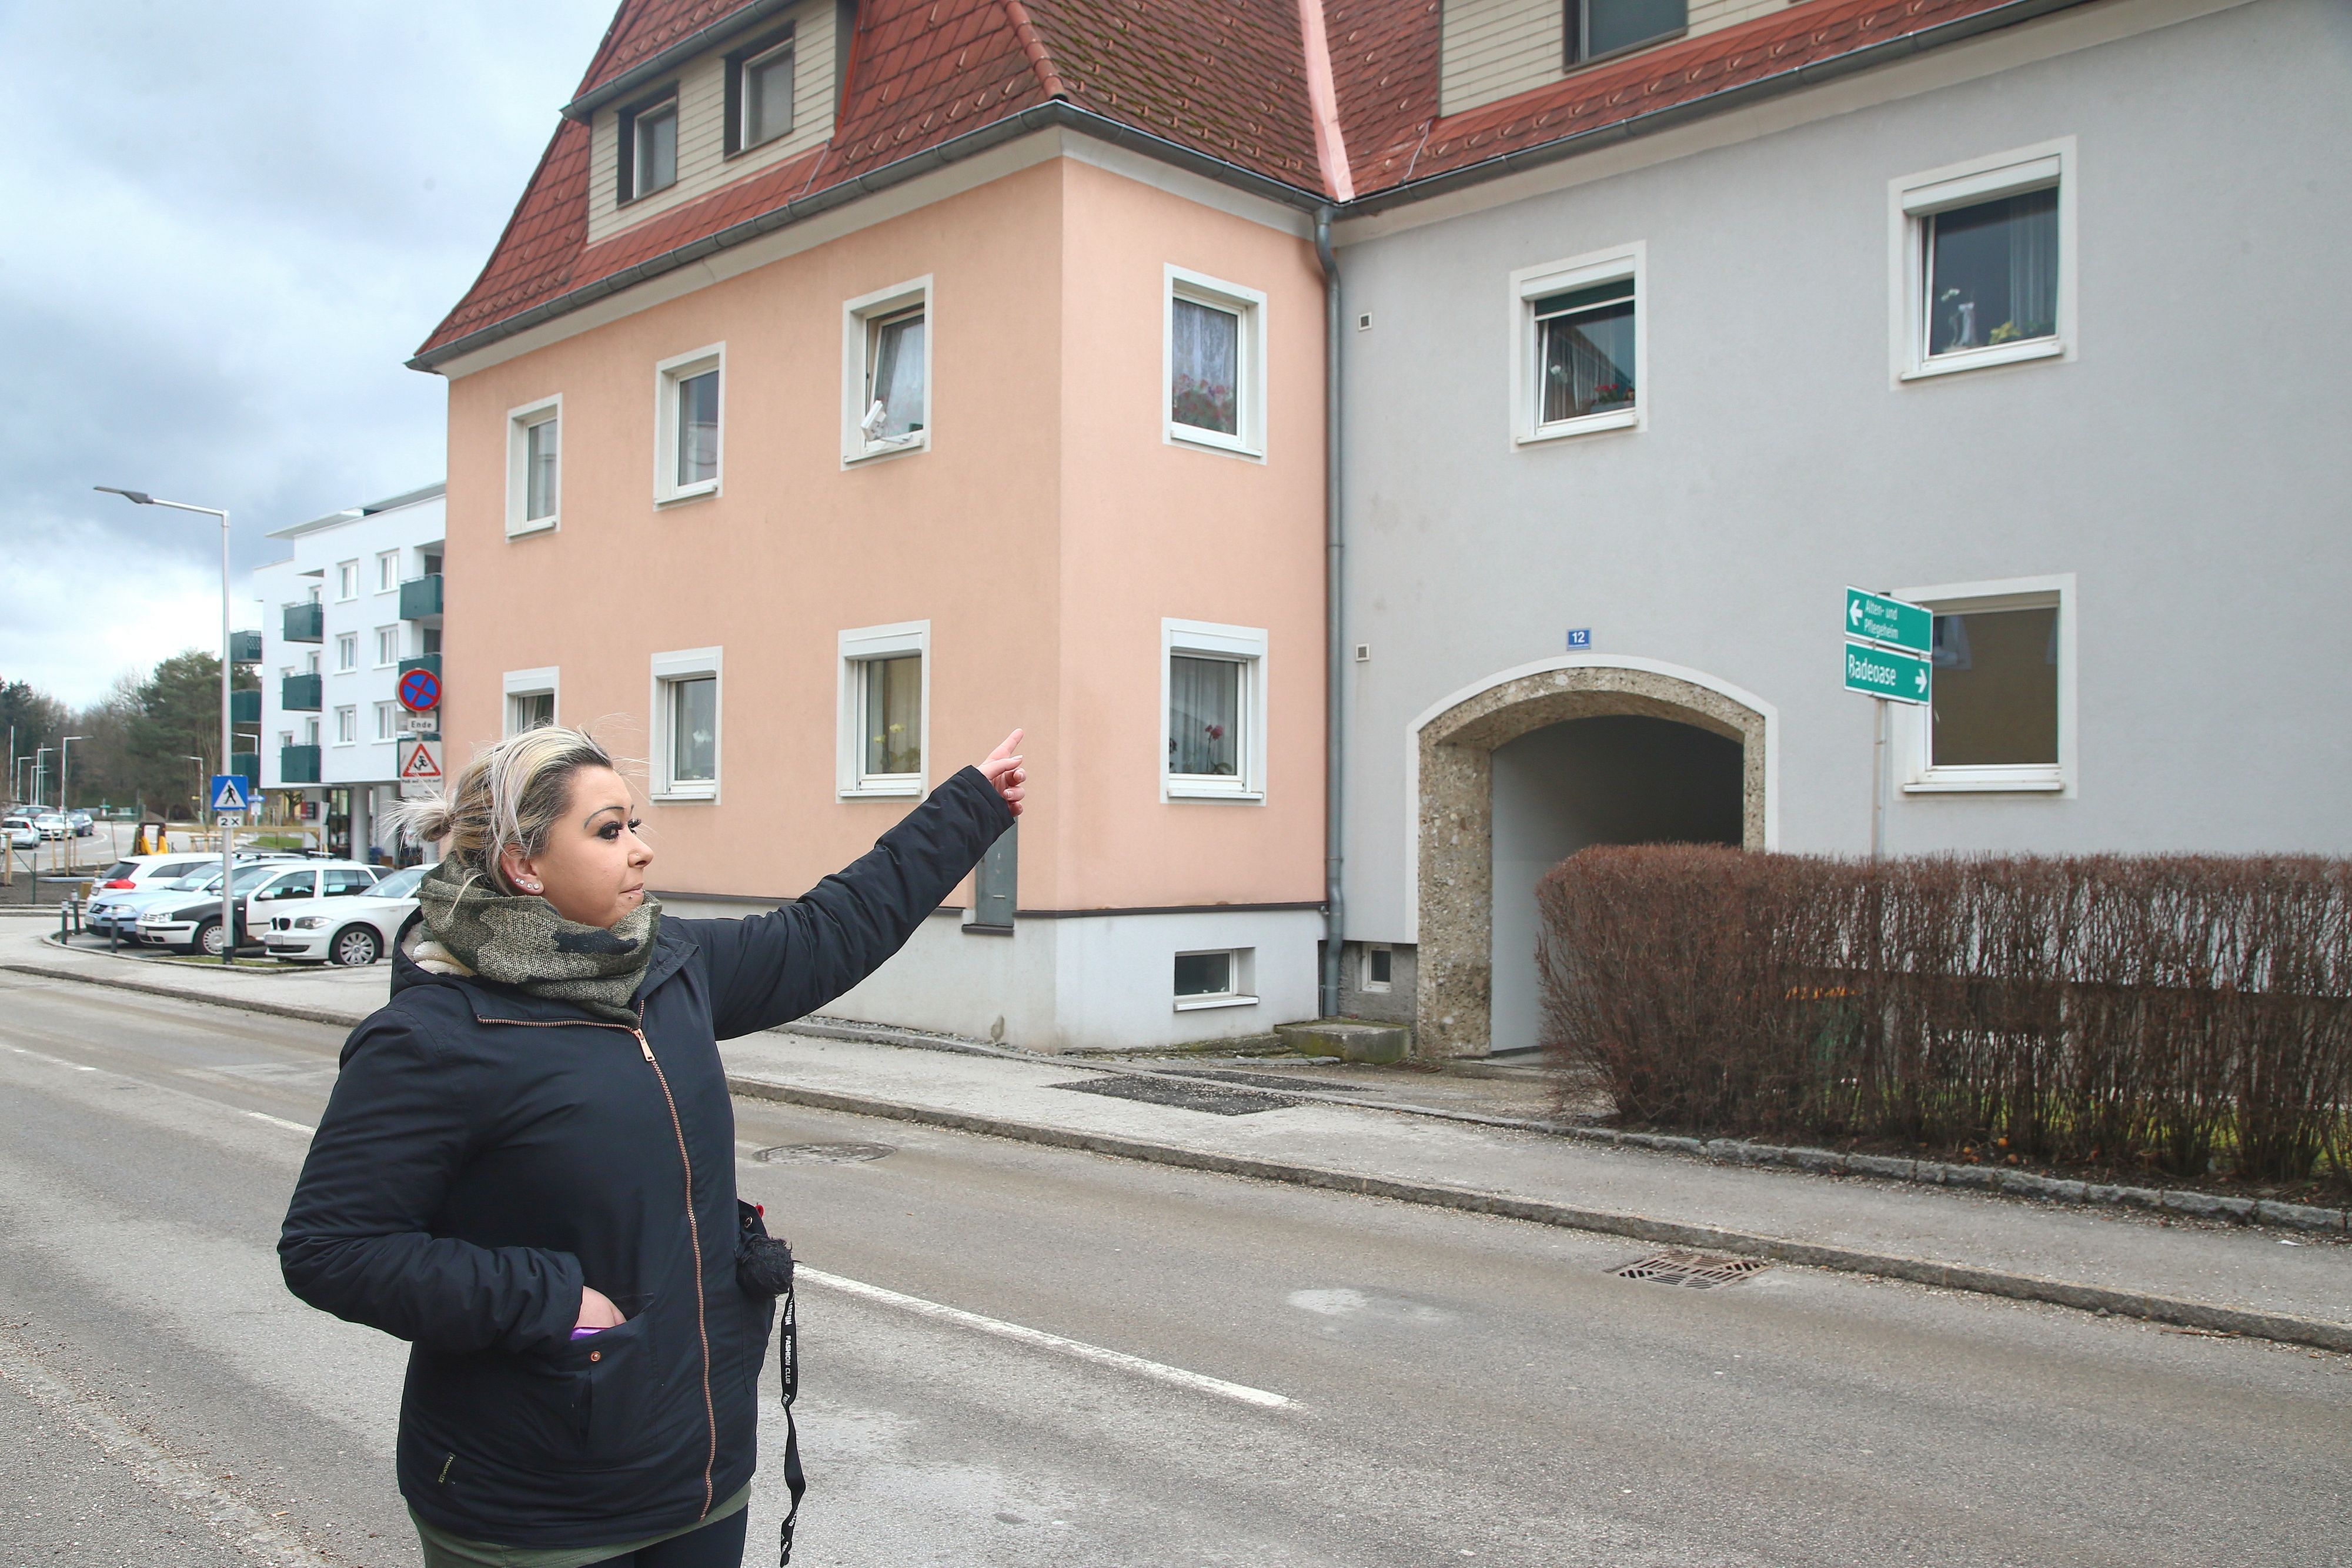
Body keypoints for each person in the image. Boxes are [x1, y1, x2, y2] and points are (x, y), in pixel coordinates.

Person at [279, 723, 1025, 1567]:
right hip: (532, 1514)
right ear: (525, 865)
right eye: (608, 831)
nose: (641, 849)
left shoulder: (664, 966)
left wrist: (969, 807)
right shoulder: (431, 1036)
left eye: (632, 823)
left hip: (696, 1483)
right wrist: (550, 1300)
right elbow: (332, 1250)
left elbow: (826, 933)